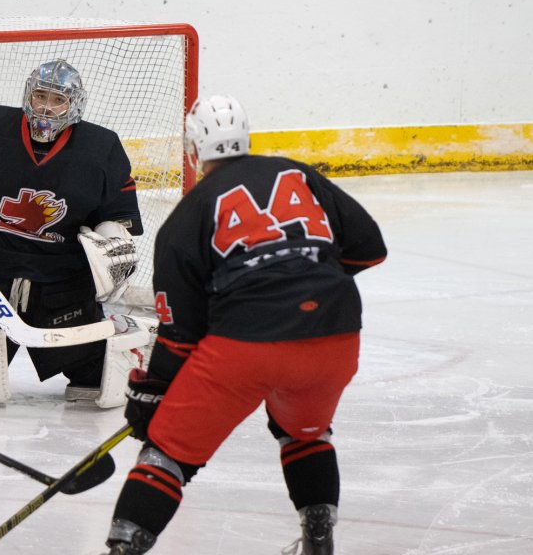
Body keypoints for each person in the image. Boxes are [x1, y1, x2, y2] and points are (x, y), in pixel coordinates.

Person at [100, 95, 387, 554]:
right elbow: (370, 247)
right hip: (334, 335)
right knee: (305, 432)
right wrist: (304, 278)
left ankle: (122, 549)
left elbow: (180, 334)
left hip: (246, 346)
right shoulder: (297, 173)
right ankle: (319, 538)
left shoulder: (186, 216)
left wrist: (153, 394)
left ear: (194, 150)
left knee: (168, 454)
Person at [0, 59, 144, 400]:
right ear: (28, 94)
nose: (47, 107)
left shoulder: (102, 148)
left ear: (75, 104)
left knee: (95, 381)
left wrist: (115, 249)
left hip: (61, 290)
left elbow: (116, 215)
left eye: (58, 100)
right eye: (40, 96)